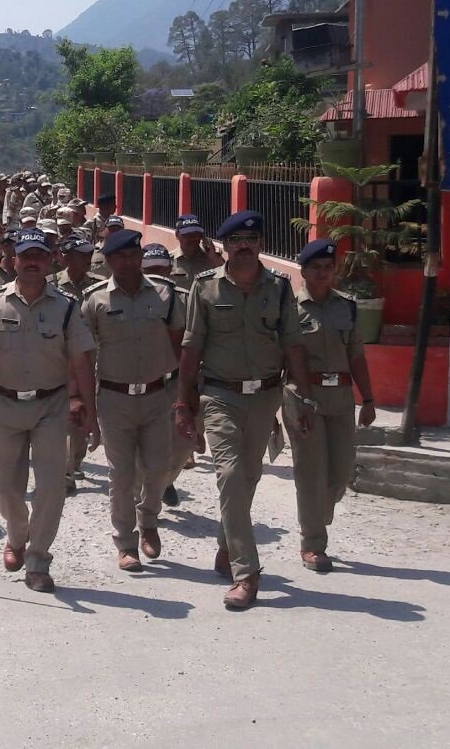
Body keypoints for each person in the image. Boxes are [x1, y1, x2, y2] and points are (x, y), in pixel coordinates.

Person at [174, 210, 316, 610]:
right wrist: (184, 403)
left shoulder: (281, 288)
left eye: (251, 239)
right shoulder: (204, 288)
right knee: (231, 475)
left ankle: (226, 544)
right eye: (236, 240)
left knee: (248, 478)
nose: (244, 246)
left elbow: (293, 345)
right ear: (224, 246)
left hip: (266, 396)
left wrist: (303, 399)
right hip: (220, 396)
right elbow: (191, 349)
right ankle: (246, 573)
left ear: (260, 245)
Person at [0, 228, 98, 593]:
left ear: (50, 260)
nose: (33, 263)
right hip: (5, 403)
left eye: (40, 256)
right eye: (26, 257)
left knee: (51, 487)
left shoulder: (66, 306)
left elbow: (82, 361)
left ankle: (38, 559)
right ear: (15, 261)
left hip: (50, 406)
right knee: (5, 486)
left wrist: (90, 409)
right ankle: (16, 535)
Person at [82, 229, 184, 572]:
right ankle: (126, 542)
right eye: (121, 256)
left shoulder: (166, 294)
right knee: (121, 475)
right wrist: (82, 403)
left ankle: (149, 522)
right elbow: (82, 354)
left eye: (133, 254)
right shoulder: (94, 299)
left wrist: (185, 394)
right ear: (109, 261)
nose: (129, 261)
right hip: (113, 398)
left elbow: (180, 343)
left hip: (158, 395)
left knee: (158, 469)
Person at [284, 238, 377, 573]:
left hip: (340, 396)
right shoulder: (289, 308)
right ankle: (313, 543)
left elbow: (357, 356)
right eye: (315, 268)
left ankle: (318, 513)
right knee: (311, 471)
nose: (323, 274)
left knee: (340, 471)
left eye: (328, 268)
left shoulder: (347, 307)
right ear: (304, 270)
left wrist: (367, 398)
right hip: (302, 395)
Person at [141, 243, 194, 506]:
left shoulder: (185, 299)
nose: (157, 275)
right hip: (141, 383)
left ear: (170, 270)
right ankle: (148, 493)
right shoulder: (126, 297)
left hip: (175, 382)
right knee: (143, 444)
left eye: (162, 269)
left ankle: (164, 481)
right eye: (151, 270)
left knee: (183, 445)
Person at [52, 235, 103, 494]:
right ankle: (65, 472)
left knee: (82, 410)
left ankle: (76, 459)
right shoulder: (51, 284)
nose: (86, 261)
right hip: (58, 355)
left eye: (88, 256)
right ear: (66, 258)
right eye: (80, 256)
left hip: (89, 356)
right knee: (62, 411)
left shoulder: (97, 286)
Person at [171, 215, 225, 290]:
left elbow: (229, 280)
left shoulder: (213, 257)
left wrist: (214, 258)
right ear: (177, 235)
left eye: (197, 234)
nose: (193, 238)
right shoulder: (169, 261)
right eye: (188, 235)